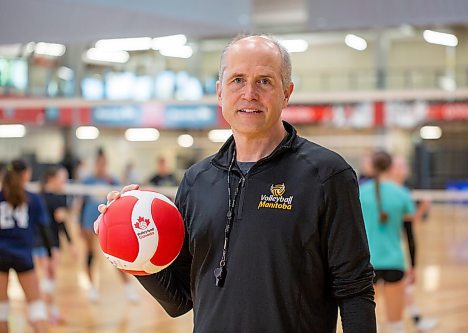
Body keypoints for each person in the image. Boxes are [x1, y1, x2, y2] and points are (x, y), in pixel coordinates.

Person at [96, 35, 376, 332]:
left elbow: (354, 289)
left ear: (287, 93)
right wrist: (131, 248)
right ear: (219, 92)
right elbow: (179, 299)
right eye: (237, 80)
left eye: (265, 81)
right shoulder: (196, 181)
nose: (249, 93)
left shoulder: (327, 175)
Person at [359, 151, 415, 333]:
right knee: (396, 324)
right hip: (395, 263)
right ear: (390, 167)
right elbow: (410, 234)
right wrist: (413, 266)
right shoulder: (402, 194)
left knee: (367, 323)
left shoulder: (359, 192)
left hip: (367, 264)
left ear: (371, 167)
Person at [79, 150, 139, 303]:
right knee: (90, 256)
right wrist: (79, 225)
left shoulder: (112, 180)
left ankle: (128, 288)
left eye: (104, 163)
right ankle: (92, 287)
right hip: (88, 223)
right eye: (99, 163)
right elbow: (80, 204)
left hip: (108, 224)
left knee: (116, 256)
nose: (101, 166)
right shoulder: (87, 181)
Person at [0, 160, 51, 333]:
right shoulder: (34, 199)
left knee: (2, 311)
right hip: (23, 255)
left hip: (0, 255)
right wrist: (50, 255)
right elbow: (45, 230)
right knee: (36, 307)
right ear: (25, 174)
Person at [389, 155, 438, 332]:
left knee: (401, 288)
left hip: (394, 251)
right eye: (398, 166)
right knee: (389, 291)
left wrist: (412, 262)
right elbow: (408, 221)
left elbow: (408, 226)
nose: (403, 169)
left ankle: (415, 319)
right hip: (385, 252)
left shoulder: (403, 192)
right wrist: (423, 208)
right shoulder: (394, 194)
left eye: (404, 165)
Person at [33, 165, 76, 325]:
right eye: (62, 178)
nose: (64, 181)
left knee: (46, 278)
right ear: (52, 179)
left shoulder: (37, 197)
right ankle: (46, 314)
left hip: (37, 243)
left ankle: (49, 312)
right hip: (50, 244)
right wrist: (70, 245)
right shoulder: (57, 199)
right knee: (49, 279)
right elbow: (62, 225)